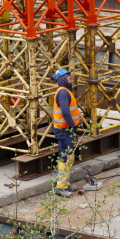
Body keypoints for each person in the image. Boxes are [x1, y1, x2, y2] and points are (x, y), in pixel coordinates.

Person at [51, 68, 81, 198]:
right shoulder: (63, 92)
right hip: (64, 129)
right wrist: (73, 125)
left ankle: (66, 183)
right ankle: (61, 187)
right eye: (67, 75)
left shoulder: (65, 91)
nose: (70, 77)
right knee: (65, 157)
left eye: (69, 75)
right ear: (61, 79)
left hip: (66, 128)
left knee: (69, 157)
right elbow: (65, 111)